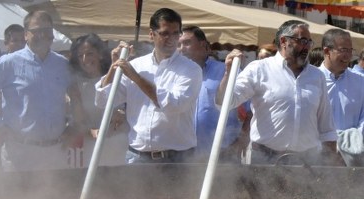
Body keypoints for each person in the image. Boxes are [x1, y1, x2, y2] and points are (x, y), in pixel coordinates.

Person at [0, 10, 79, 172]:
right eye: (37, 31)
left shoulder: (62, 65)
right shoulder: (8, 63)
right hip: (20, 152)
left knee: (56, 197)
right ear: (26, 35)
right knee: (18, 197)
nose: (43, 35)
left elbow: (78, 99)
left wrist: (74, 126)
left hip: (55, 151)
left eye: (47, 30)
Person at [216, 20, 337, 165]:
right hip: (264, 159)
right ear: (284, 41)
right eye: (302, 41)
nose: (307, 47)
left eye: (309, 42)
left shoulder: (317, 76)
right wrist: (228, 73)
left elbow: (326, 127)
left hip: (306, 163)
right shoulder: (259, 69)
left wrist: (330, 163)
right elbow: (225, 102)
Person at [96, 8, 202, 164]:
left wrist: (136, 78)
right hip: (137, 156)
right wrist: (113, 68)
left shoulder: (191, 69)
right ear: (152, 34)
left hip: (176, 158)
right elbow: (103, 101)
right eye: (165, 33)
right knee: (133, 190)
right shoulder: (136, 65)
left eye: (175, 33)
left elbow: (174, 105)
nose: (171, 39)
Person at [177, 25, 243, 163]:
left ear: (203, 45)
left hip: (221, 156)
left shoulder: (227, 71)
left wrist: (238, 144)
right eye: (178, 44)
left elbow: (250, 113)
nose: (182, 48)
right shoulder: (173, 74)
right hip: (181, 156)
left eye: (187, 43)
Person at [69, 33, 127, 167]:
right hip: (92, 146)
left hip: (119, 143)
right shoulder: (76, 86)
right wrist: (93, 132)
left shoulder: (119, 77)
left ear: (100, 54)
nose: (85, 59)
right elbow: (78, 123)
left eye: (89, 53)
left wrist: (123, 115)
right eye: (80, 56)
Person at [319, 28, 364, 167]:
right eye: (343, 50)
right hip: (319, 158)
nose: (348, 56)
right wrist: (329, 149)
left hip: (352, 159)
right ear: (326, 51)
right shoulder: (311, 80)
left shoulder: (360, 81)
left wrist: (347, 150)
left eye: (350, 50)